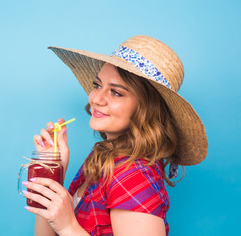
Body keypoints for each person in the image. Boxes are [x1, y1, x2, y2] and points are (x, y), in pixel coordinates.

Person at [21, 35, 208, 236]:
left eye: (116, 92)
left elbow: (66, 229)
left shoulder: (135, 176)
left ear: (146, 109)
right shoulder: (101, 159)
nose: (96, 99)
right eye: (97, 85)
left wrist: (69, 226)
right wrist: (54, 169)